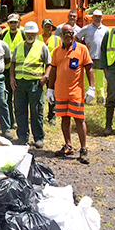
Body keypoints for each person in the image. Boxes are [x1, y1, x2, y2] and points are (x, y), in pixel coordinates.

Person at [48, 24, 95, 164]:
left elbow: (89, 69)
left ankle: (83, 149)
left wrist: (91, 87)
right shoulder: (57, 51)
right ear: (61, 35)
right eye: (65, 33)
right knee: (65, 119)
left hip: (76, 92)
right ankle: (68, 145)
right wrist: (50, 89)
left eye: (71, 33)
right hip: (61, 92)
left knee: (79, 120)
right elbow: (53, 71)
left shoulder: (82, 49)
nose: (68, 36)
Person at [10, 22, 52, 148]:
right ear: (25, 33)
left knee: (36, 111)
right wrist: (12, 78)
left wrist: (46, 76)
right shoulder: (19, 46)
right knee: (20, 110)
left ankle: (38, 137)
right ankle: (22, 137)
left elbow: (49, 63)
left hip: (35, 83)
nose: (30, 35)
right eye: (28, 33)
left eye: (32, 33)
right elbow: (13, 63)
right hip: (20, 83)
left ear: (36, 34)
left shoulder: (41, 46)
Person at [76, 9, 109, 103]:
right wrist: (83, 45)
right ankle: (87, 96)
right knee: (87, 77)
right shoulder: (86, 28)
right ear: (92, 18)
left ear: (102, 18)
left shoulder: (106, 30)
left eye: (99, 17)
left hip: (100, 56)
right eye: (96, 17)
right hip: (88, 57)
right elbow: (76, 37)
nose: (97, 19)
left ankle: (100, 96)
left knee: (99, 78)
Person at [0, 13, 24, 126]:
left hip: (19, 69)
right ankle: (10, 120)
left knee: (19, 98)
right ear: (8, 23)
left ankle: (20, 120)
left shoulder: (23, 33)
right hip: (6, 69)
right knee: (7, 97)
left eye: (15, 22)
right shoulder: (4, 33)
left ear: (18, 23)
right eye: (11, 22)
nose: (13, 24)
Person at [40, 19, 61, 125]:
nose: (48, 28)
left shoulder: (57, 39)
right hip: (39, 70)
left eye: (49, 26)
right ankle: (38, 115)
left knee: (52, 92)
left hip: (53, 70)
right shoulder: (37, 38)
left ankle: (52, 117)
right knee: (38, 94)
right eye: (46, 26)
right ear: (42, 27)